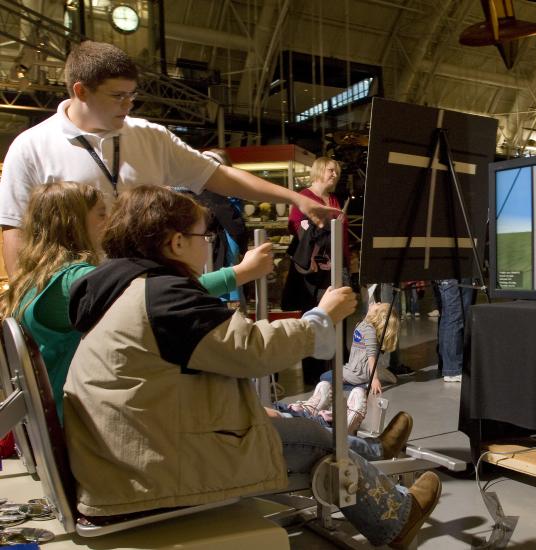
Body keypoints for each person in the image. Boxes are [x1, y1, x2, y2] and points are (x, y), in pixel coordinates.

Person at [62, 185, 440, 548]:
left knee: (281, 419)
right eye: (202, 236)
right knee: (315, 438)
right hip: (154, 469)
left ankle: (374, 457)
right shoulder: (163, 297)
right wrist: (320, 318)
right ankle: (395, 516)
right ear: (176, 242)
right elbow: (254, 350)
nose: (206, 243)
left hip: (129, 459)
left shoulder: (117, 290)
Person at [0, 41, 339, 274]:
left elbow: (218, 176)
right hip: (75, 302)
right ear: (80, 90)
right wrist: (26, 307)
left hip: (150, 291)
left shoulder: (149, 136)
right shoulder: (31, 147)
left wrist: (296, 198)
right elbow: (14, 227)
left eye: (132, 95)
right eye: (118, 96)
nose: (128, 105)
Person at [0, 181, 273, 419]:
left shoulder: (37, 277)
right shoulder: (74, 281)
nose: (109, 222)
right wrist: (241, 272)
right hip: (76, 419)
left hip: (62, 412)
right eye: (101, 214)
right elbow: (154, 296)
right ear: (74, 223)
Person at [281, 156, 350, 386]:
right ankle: (313, 375)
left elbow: (342, 235)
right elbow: (296, 227)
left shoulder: (333, 199)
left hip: (334, 268)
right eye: (331, 170)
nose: (335, 175)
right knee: (313, 317)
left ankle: (335, 370)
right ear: (319, 170)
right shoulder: (305, 197)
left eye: (337, 171)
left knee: (336, 317)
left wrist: (347, 262)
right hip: (313, 272)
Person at [282, 301, 400, 432]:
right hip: (353, 368)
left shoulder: (369, 330)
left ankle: (331, 404)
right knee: (329, 377)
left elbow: (372, 355)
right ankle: (365, 381)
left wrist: (375, 378)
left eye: (379, 304)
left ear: (377, 315)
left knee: (325, 378)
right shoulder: (365, 325)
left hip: (355, 373)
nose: (376, 302)